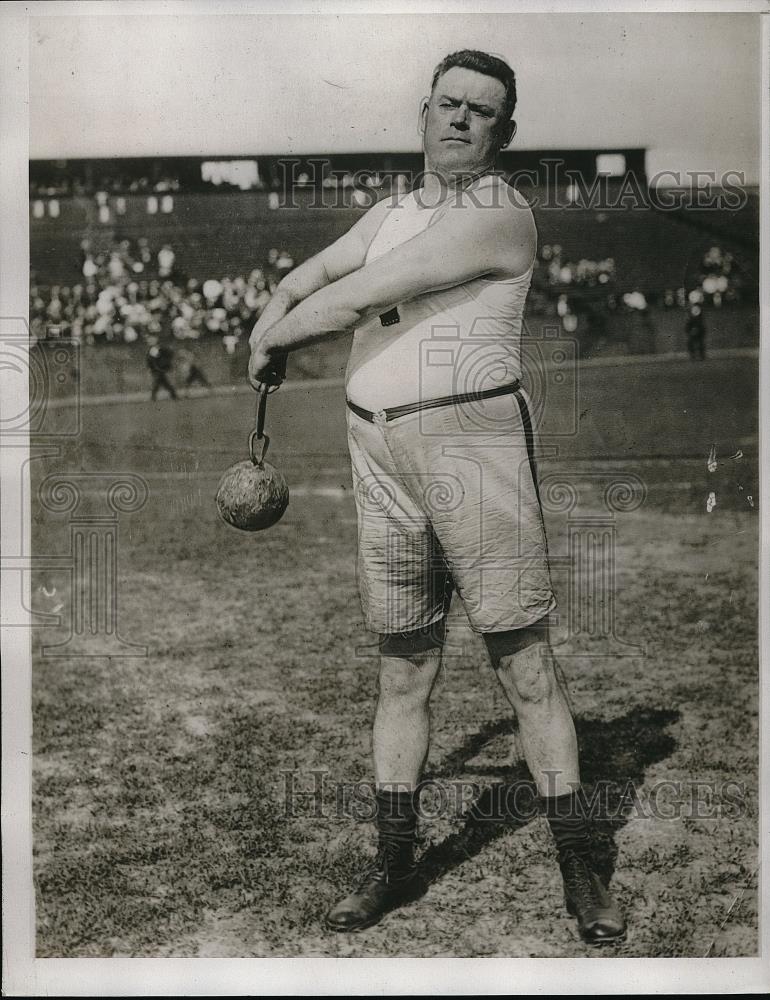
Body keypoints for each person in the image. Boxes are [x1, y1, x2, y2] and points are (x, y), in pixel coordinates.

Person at [248, 49, 626, 945]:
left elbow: (358, 297)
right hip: (376, 445)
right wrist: (271, 313)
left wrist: (275, 340)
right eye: (448, 103)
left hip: (471, 442)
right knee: (402, 666)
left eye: (482, 112)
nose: (461, 120)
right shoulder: (391, 210)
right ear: (423, 112)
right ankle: (393, 862)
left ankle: (582, 872)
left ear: (505, 132)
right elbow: (312, 276)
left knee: (524, 665)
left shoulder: (500, 213)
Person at [146, 336, 177, 400]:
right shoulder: (154, 349)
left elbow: (152, 361)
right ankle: (173, 395)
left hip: (157, 370)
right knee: (162, 383)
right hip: (157, 370)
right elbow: (152, 361)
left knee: (161, 383)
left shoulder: (154, 349)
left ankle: (173, 395)